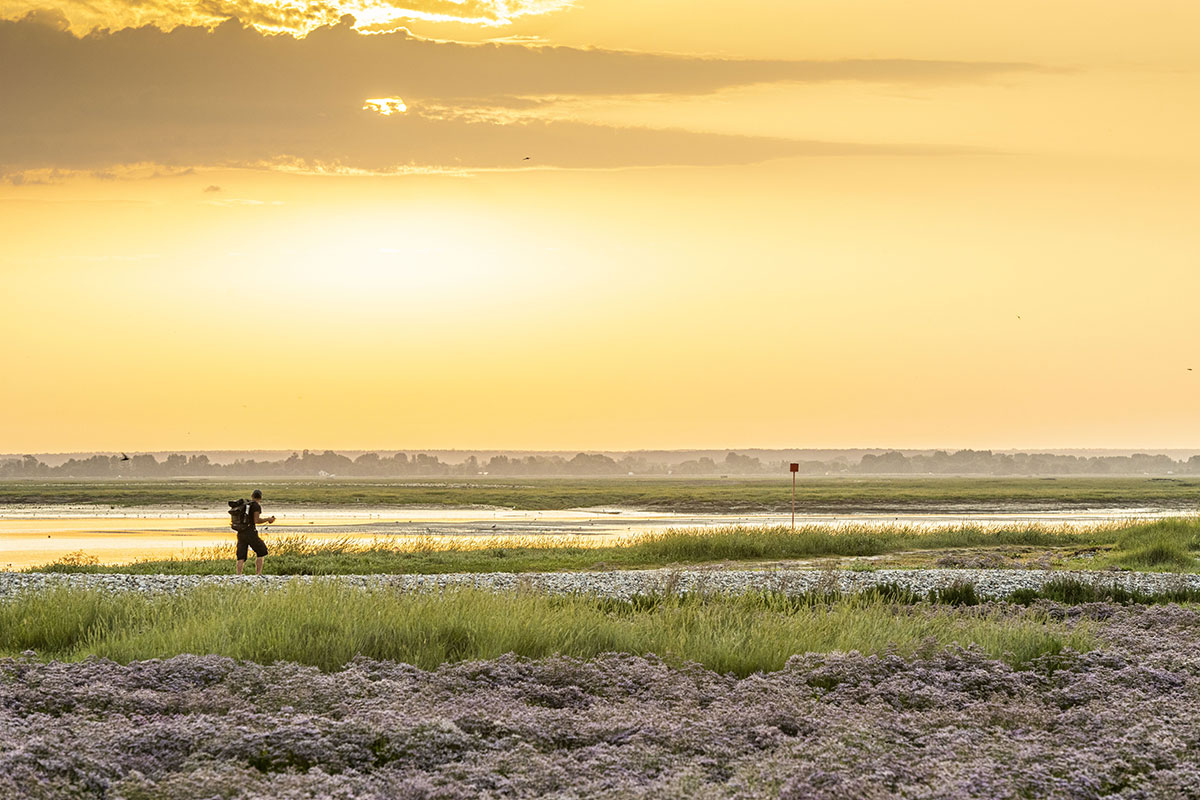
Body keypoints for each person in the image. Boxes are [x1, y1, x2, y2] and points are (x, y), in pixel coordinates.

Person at [236, 489, 275, 575]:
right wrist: (268, 519)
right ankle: (258, 574)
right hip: (250, 532)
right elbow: (256, 520)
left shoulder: (245, 505)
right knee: (261, 551)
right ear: (260, 497)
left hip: (241, 532)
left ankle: (238, 575)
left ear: (252, 495)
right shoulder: (256, 506)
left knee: (241, 555)